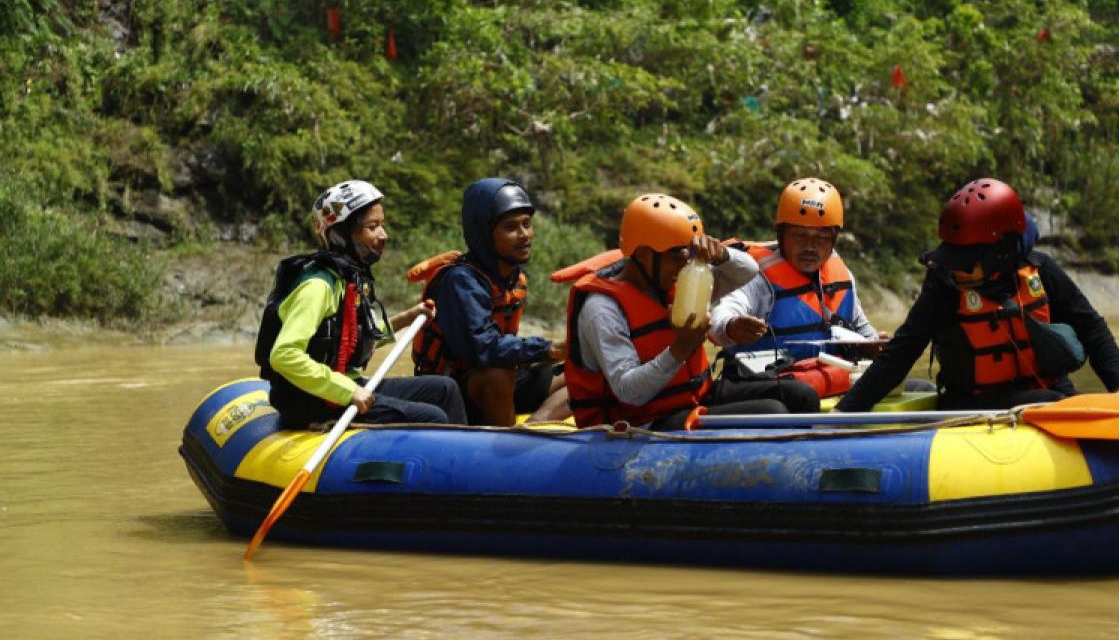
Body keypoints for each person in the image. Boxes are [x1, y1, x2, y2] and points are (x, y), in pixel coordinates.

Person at [834, 178, 1119, 413]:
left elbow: (1091, 326)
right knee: (1050, 400)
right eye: (952, 259)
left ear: (1000, 255)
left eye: (966, 262)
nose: (956, 271)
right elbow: (902, 351)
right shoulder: (944, 285)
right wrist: (844, 413)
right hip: (973, 403)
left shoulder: (1039, 269)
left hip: (1049, 392)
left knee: (1055, 398)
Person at [563, 193, 818, 430]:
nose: (687, 263)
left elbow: (747, 270)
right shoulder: (603, 309)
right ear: (643, 254)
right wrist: (680, 349)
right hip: (641, 424)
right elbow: (629, 391)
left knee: (800, 395)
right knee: (772, 412)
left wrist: (719, 254)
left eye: (691, 253)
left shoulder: (674, 280)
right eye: (679, 254)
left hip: (693, 398)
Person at [255, 180, 467, 428]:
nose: (383, 235)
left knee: (446, 388)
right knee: (433, 417)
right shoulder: (318, 286)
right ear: (341, 235)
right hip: (315, 400)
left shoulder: (345, 280)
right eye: (372, 227)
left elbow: (351, 339)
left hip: (342, 385)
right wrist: (347, 391)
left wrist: (407, 319)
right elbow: (284, 356)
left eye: (382, 225)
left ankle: (468, 456)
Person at [410, 177, 570, 426]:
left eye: (527, 224)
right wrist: (547, 348)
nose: (524, 235)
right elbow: (483, 348)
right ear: (484, 234)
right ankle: (504, 447)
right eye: (511, 227)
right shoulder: (460, 281)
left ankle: (532, 430)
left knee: (584, 372)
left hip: (499, 383)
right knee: (498, 373)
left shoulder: (514, 278)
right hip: (449, 393)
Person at [710, 178, 888, 362]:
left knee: (917, 387)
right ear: (781, 236)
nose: (810, 247)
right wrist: (731, 327)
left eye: (821, 238)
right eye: (799, 236)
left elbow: (862, 331)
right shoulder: (754, 275)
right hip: (771, 384)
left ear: (833, 240)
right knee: (803, 393)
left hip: (831, 380)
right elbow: (719, 320)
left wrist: (874, 345)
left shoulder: (841, 274)